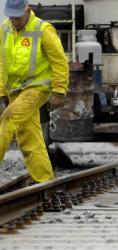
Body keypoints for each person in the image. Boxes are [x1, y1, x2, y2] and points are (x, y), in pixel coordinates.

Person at [0, 0, 69, 183]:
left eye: (17, 17)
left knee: (8, 118)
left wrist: (59, 91)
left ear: (27, 10)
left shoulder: (43, 29)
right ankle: (44, 180)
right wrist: (2, 92)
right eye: (11, 16)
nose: (14, 21)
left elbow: (59, 61)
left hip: (37, 88)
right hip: (15, 90)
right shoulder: (5, 28)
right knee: (28, 136)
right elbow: (2, 61)